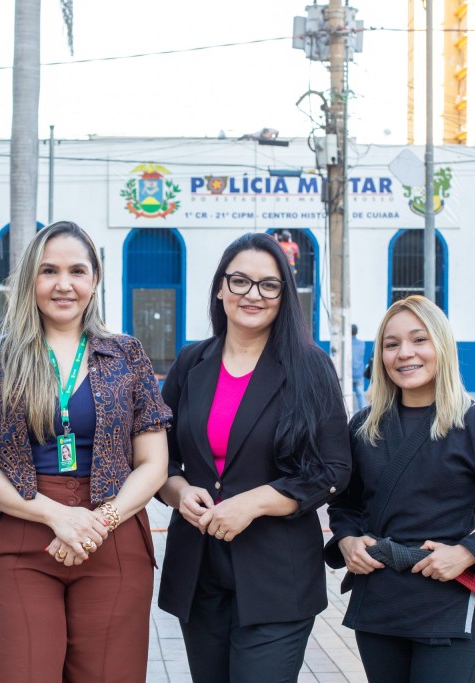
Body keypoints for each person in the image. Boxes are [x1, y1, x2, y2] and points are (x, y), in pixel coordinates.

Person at [0, 220, 170, 682]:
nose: (63, 284)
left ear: (95, 280)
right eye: (49, 270)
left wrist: (97, 523)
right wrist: (58, 516)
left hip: (114, 535)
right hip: (24, 534)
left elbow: (154, 464)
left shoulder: (127, 354)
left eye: (77, 271)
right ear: (30, 279)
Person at [157, 232, 352, 683]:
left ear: (284, 295)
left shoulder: (310, 367)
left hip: (277, 576)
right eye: (240, 281)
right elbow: (156, 455)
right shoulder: (191, 362)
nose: (253, 294)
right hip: (199, 570)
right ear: (220, 288)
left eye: (269, 285)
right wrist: (178, 492)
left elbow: (333, 469)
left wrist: (256, 502)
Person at [326, 295, 475, 683]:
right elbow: (344, 503)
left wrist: (467, 552)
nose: (404, 353)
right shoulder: (364, 427)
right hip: (380, 602)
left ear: (442, 345)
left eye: (419, 339)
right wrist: (347, 540)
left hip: (450, 602)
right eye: (391, 344)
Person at [352, 323, 367, 410]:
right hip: (359, 373)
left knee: (344, 396)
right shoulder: (362, 344)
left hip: (348, 375)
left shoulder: (346, 344)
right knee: (361, 396)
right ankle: (364, 414)